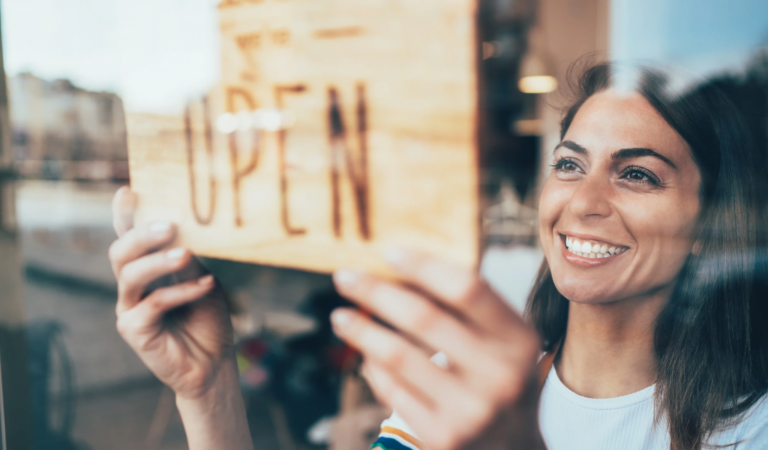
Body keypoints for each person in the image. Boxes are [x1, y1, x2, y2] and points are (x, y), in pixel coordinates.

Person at [109, 61, 768, 450]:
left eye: (638, 175)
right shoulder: (458, 383)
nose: (584, 202)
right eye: (570, 165)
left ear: (712, 220)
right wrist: (210, 388)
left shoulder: (749, 429)